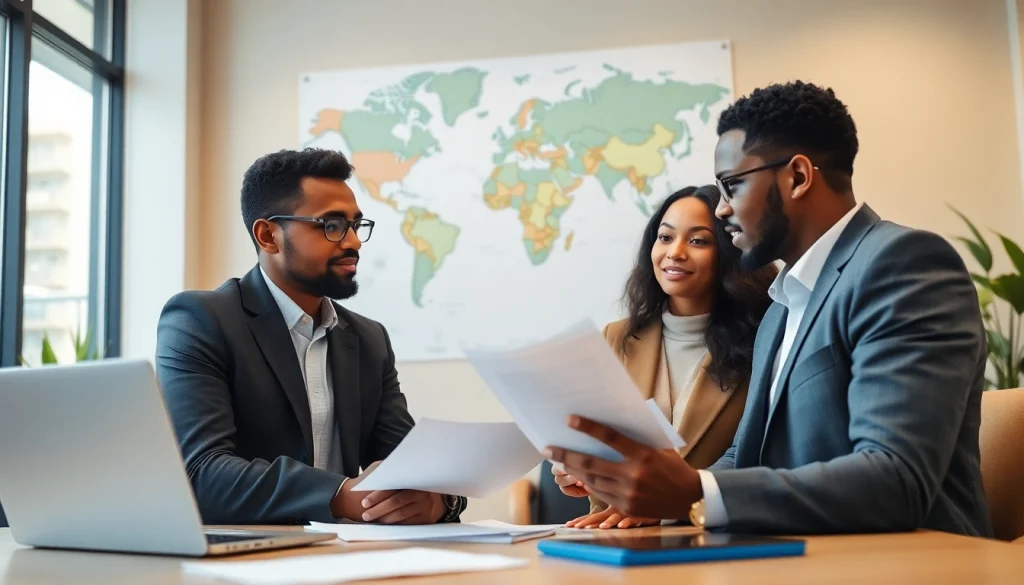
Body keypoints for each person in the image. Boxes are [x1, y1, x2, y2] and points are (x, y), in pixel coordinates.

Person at [542, 81, 993, 537]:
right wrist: (656, 495)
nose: (720, 210)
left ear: (797, 177)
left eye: (732, 186)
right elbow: (746, 457)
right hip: (796, 556)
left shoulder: (901, 265)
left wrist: (694, 493)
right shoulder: (780, 306)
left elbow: (896, 480)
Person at [155, 148, 466, 526]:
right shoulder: (200, 320)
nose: (353, 241)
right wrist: (339, 497)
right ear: (268, 235)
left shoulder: (369, 339)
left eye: (356, 225)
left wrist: (437, 503)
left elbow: (411, 464)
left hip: (347, 557)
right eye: (332, 225)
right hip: (248, 560)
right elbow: (201, 474)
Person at [552, 185, 777, 529]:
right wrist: (583, 473)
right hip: (626, 543)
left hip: (720, 538)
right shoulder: (617, 338)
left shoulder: (765, 337)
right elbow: (606, 467)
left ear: (729, 253)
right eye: (665, 237)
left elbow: (764, 461)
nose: (675, 253)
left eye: (698, 241)